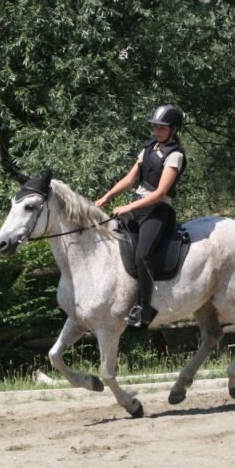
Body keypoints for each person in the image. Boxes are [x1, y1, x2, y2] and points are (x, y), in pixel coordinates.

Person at [95, 104, 187, 328]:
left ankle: (144, 310)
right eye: (155, 127)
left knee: (143, 255)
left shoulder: (175, 155)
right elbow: (130, 179)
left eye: (162, 128)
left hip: (157, 212)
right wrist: (106, 197)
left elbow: (160, 193)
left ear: (174, 129)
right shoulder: (148, 148)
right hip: (137, 206)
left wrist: (127, 207)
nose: (157, 132)